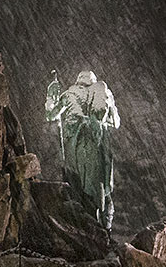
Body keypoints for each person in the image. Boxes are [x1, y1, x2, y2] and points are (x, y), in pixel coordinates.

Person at [43, 69, 121, 230]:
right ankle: (104, 229)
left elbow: (50, 115)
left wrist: (51, 95)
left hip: (75, 149)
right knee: (101, 189)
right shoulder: (101, 94)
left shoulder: (69, 94)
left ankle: (83, 227)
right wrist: (111, 104)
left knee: (77, 187)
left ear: (78, 81)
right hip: (97, 148)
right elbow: (116, 122)